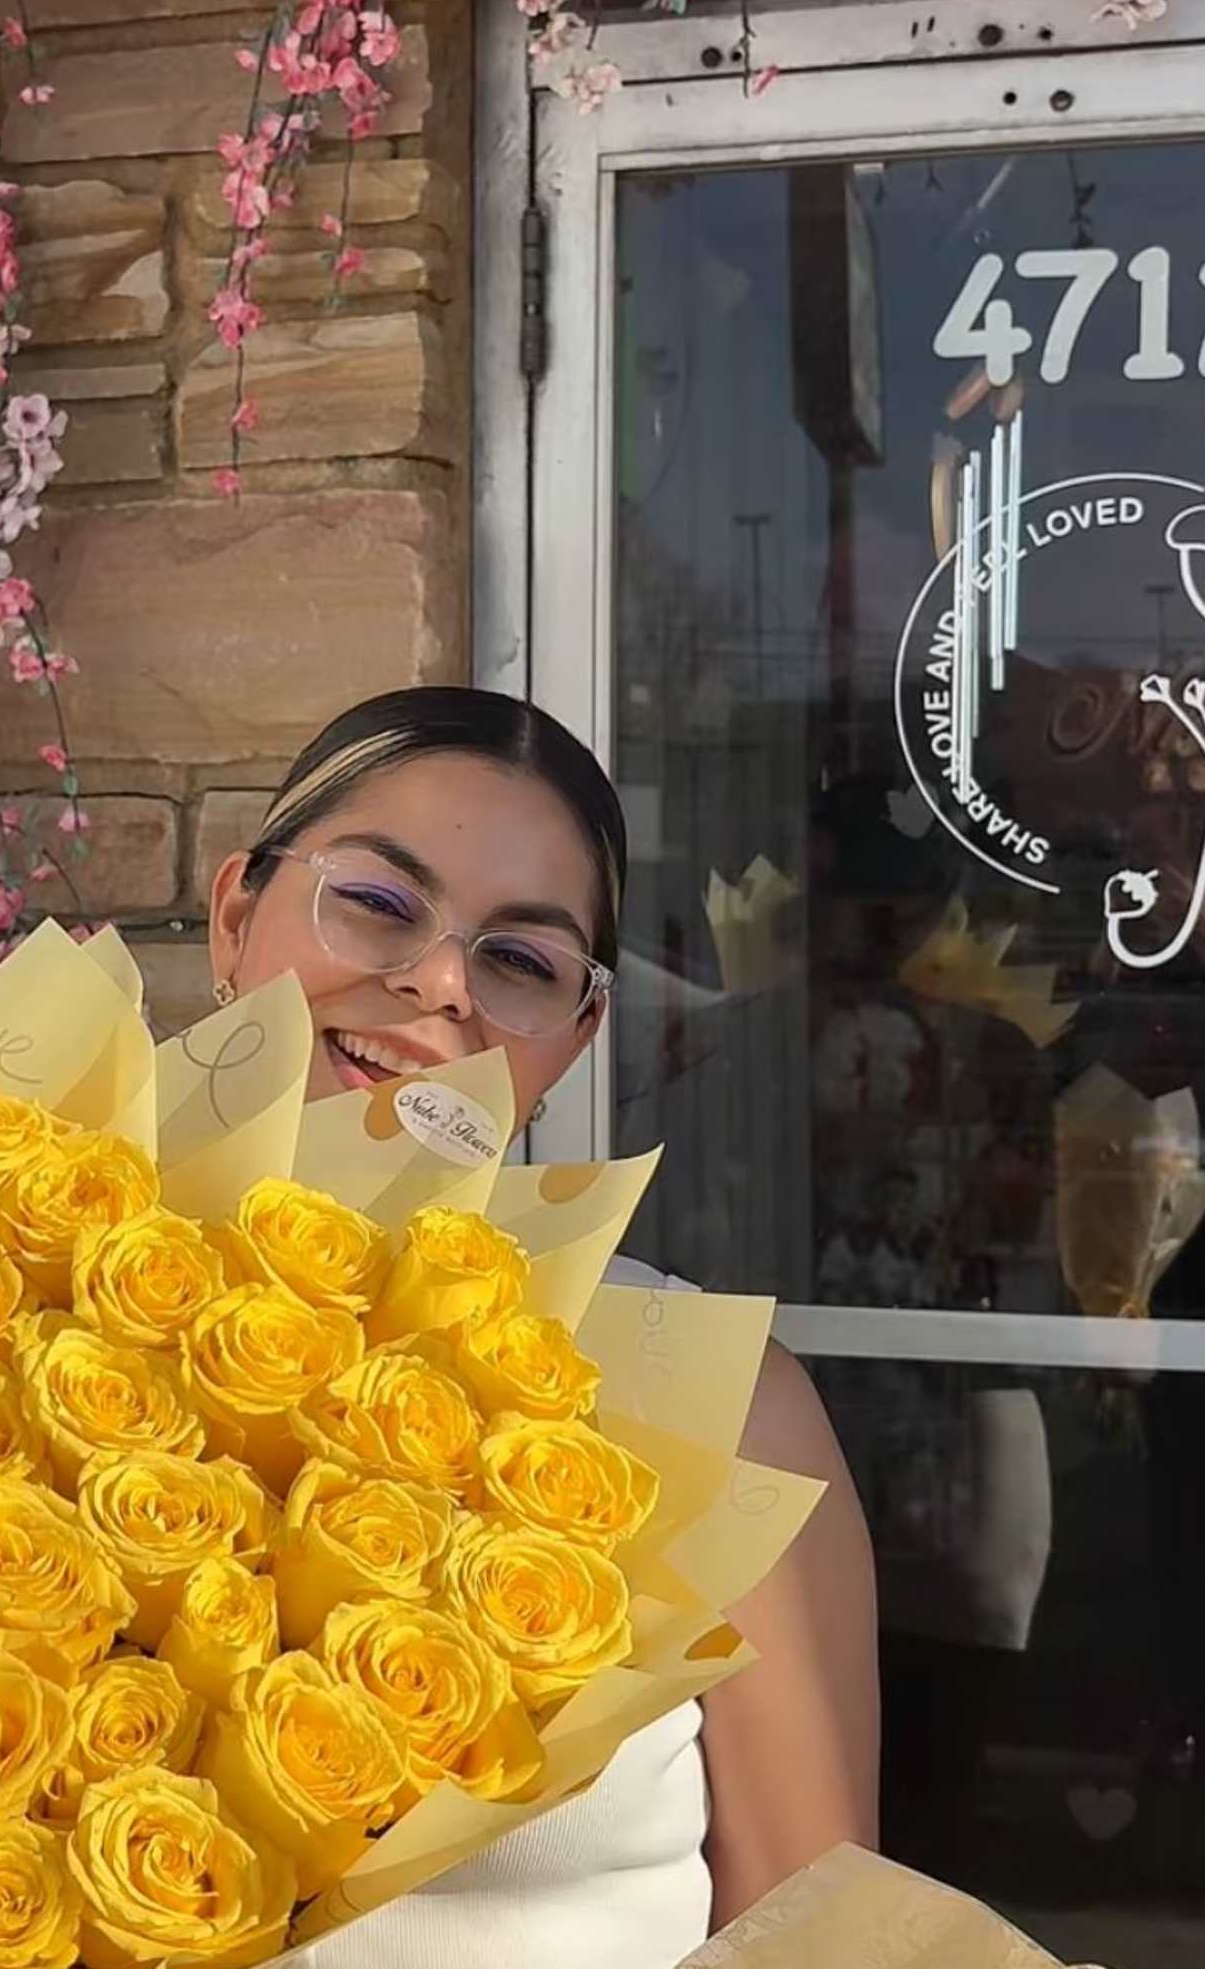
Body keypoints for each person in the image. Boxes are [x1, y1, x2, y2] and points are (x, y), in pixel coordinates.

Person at [204, 686, 880, 1962]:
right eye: (376, 900)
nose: (440, 980)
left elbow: (818, 1931)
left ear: (573, 1036)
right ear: (236, 911)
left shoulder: (709, 1402)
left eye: (519, 961)